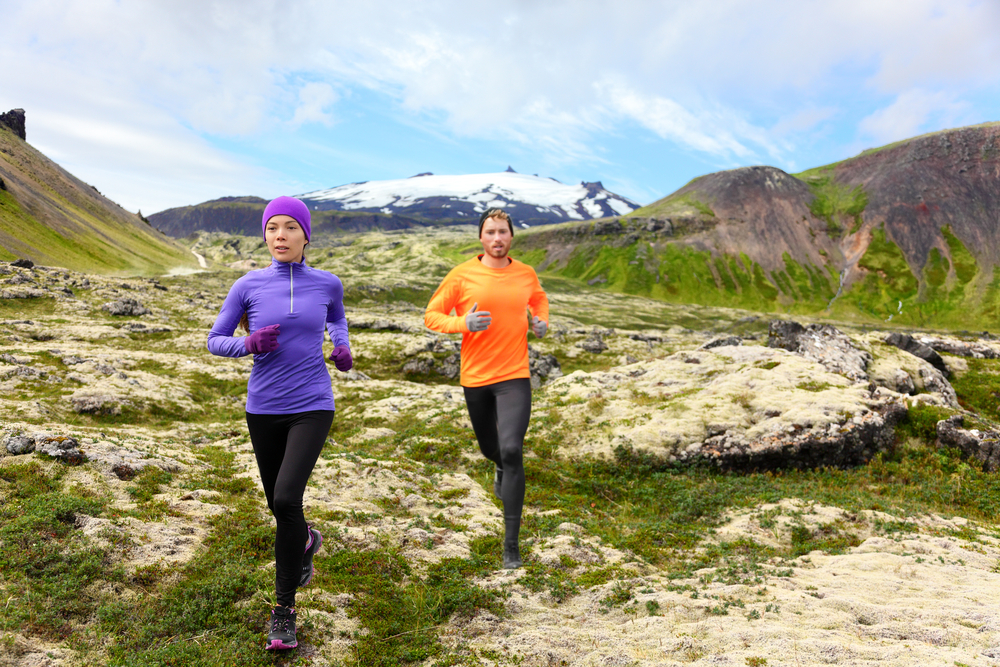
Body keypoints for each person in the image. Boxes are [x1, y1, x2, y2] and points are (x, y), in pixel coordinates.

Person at [207, 196, 354, 651]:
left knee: (288, 498)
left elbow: (338, 318)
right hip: (263, 407)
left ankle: (283, 612)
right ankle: (306, 540)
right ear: (265, 235)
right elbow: (214, 340)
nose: (281, 236)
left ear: (306, 235)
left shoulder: (328, 283)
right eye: (273, 228)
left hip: (312, 403)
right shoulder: (246, 285)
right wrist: (247, 343)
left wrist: (342, 347)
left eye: (291, 227)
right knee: (278, 506)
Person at [424, 207, 549, 569]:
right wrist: (464, 322)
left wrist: (540, 322)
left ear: (512, 237)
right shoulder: (462, 275)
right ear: (481, 236)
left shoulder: (525, 273)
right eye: (491, 232)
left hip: (515, 376)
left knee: (512, 449)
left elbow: (537, 299)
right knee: (490, 448)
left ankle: (511, 545)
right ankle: (497, 466)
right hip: (476, 378)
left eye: (503, 232)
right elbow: (432, 315)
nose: (497, 238)